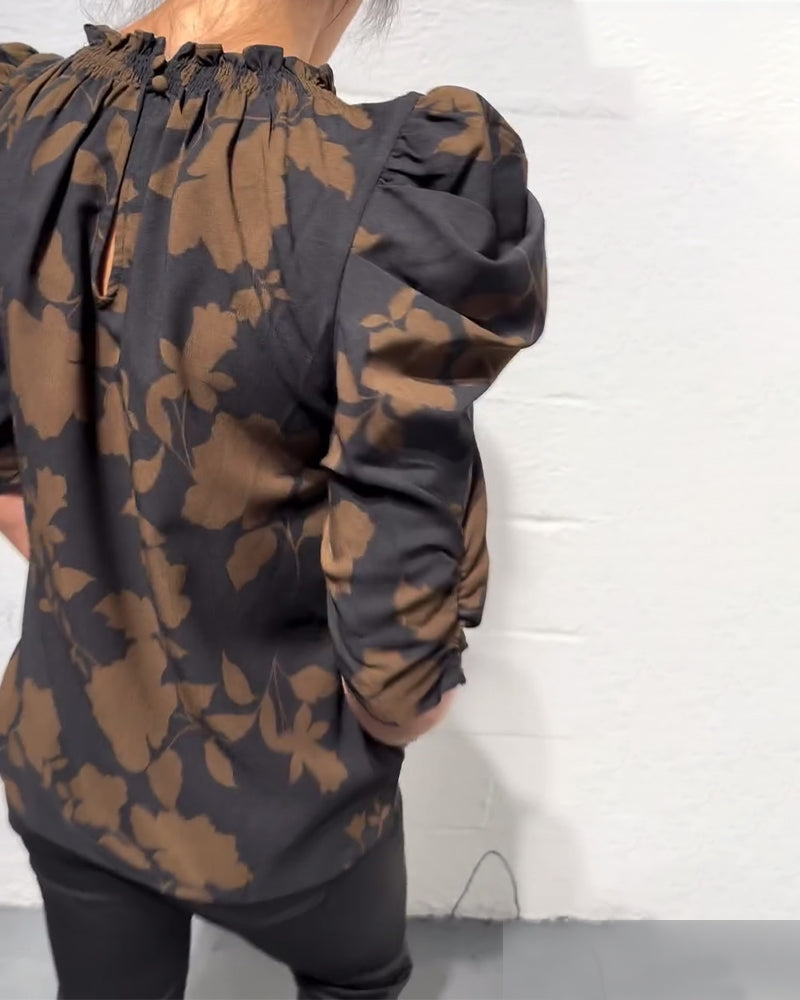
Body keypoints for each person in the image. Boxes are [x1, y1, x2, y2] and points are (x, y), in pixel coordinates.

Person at [0, 0, 547, 996]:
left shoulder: (17, 116)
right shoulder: (384, 183)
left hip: (68, 756)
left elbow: (20, 497)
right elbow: (395, 654)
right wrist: (409, 687)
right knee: (355, 980)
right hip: (288, 806)